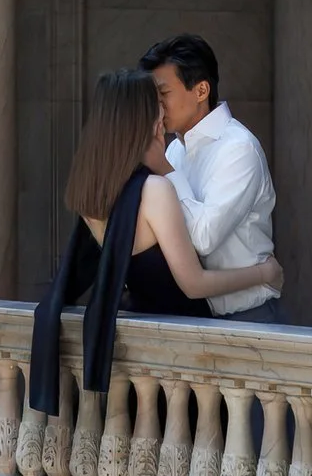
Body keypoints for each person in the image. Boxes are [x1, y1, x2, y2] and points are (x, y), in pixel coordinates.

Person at [27, 67, 280, 415]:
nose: (163, 126)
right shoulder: (156, 190)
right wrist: (264, 273)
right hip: (188, 354)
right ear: (141, 123)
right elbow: (194, 284)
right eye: (158, 119)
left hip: (142, 348)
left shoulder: (91, 193)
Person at [141, 31, 279, 317]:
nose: (157, 105)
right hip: (195, 313)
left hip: (246, 316)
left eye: (163, 93)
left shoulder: (238, 148)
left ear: (201, 91)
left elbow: (204, 238)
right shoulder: (175, 149)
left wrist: (165, 171)